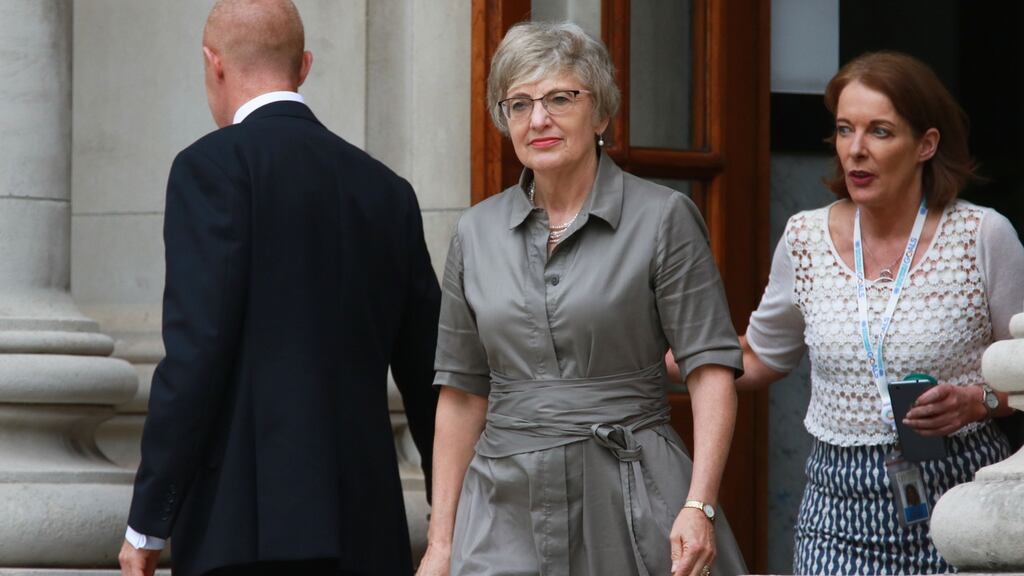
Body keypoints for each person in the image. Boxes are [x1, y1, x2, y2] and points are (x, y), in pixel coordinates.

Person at [118, 1, 440, 575]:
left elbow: (195, 357)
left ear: (212, 63)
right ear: (305, 66)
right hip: (371, 536)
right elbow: (430, 373)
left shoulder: (209, 169)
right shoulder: (389, 192)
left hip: (245, 537)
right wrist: (448, 519)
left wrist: (148, 523)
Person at [416, 21, 748, 576]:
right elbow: (461, 391)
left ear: (600, 114)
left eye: (559, 98)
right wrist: (440, 542)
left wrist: (699, 503)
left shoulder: (663, 217)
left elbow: (710, 368)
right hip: (501, 503)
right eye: (518, 104)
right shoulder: (474, 233)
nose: (538, 119)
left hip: (631, 493)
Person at [738, 51, 1024, 574]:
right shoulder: (804, 237)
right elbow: (761, 357)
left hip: (963, 504)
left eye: (880, 132)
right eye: (845, 130)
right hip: (835, 511)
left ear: (926, 145)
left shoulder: (984, 236)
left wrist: (978, 401)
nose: (856, 151)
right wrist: (662, 354)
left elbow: (1023, 373)